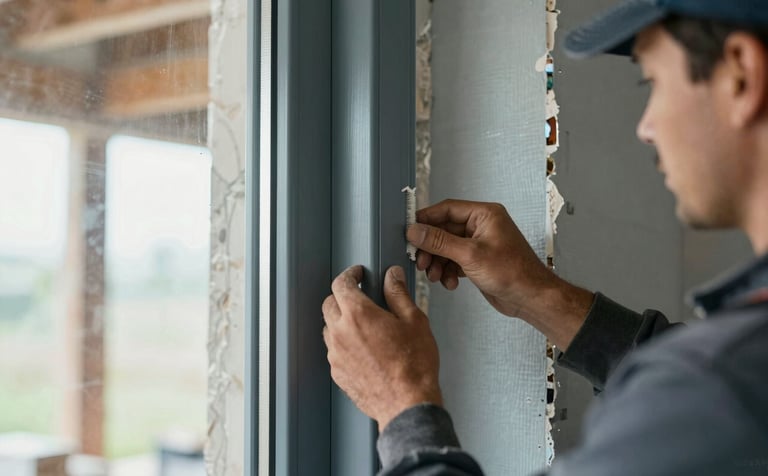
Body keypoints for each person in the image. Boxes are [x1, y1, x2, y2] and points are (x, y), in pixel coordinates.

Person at [321, 1, 768, 474]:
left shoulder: (725, 376)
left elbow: (706, 394)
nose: (646, 128)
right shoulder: (734, 374)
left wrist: (403, 402)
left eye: (653, 83)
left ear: (741, 73)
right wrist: (537, 295)